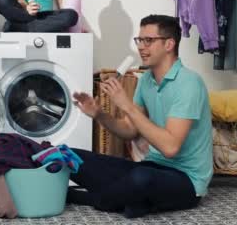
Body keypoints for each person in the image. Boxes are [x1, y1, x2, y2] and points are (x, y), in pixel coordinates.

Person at [71, 15, 213, 218]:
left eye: (149, 40)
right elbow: (129, 130)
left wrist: (127, 105)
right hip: (153, 166)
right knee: (71, 157)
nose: (141, 47)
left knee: (140, 178)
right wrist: (99, 114)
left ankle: (94, 198)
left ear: (169, 44)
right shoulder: (146, 80)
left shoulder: (189, 83)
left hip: (187, 180)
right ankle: (133, 201)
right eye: (139, 40)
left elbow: (170, 147)